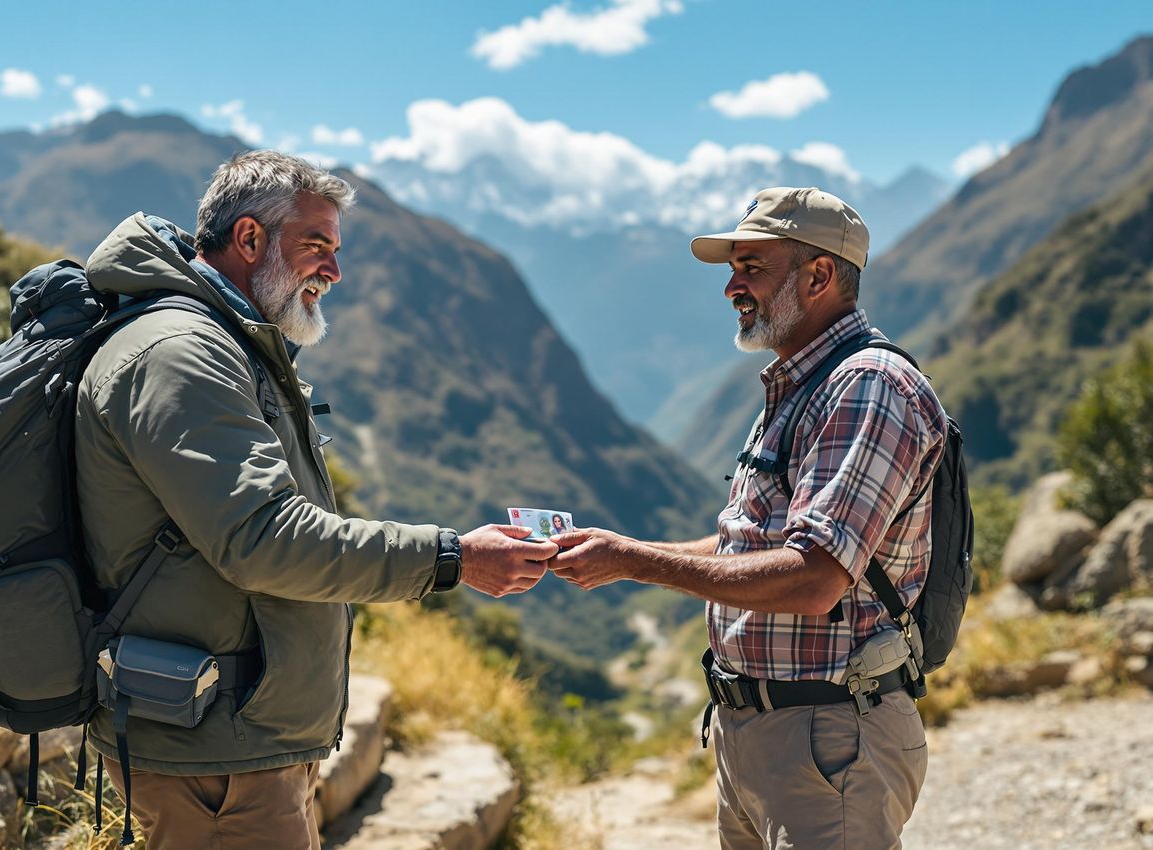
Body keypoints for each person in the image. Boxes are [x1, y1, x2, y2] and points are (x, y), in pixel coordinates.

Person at [74, 150, 555, 850]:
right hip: (216, 757)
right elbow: (264, 539)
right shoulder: (181, 354)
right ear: (248, 239)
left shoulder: (230, 344)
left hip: (234, 735)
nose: (334, 270)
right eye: (317, 246)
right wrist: (452, 558)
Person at [549, 187, 946, 849]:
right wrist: (617, 552)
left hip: (827, 737)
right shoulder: (801, 384)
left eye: (752, 267)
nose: (731, 286)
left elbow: (814, 577)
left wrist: (633, 561)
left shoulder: (867, 388)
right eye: (732, 268)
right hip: (762, 735)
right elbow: (754, 542)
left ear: (818, 275)